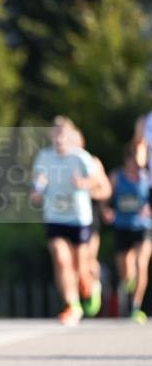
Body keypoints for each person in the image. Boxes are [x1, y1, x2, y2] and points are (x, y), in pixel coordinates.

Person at [31, 117, 97, 325]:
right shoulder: (44, 156)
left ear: (70, 136)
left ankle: (89, 283)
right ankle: (71, 305)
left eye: (63, 134)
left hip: (79, 218)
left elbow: (97, 180)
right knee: (61, 259)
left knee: (80, 267)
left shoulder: (80, 158)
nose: (59, 138)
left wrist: (83, 182)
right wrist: (37, 191)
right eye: (56, 134)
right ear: (52, 136)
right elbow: (39, 179)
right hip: (54, 216)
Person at [103, 142, 151, 323]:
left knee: (141, 263)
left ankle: (136, 306)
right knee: (126, 273)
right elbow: (104, 199)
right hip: (122, 227)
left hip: (143, 227)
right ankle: (130, 286)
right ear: (128, 159)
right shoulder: (117, 176)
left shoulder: (148, 177)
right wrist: (105, 210)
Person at [73, 128, 112, 317]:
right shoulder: (57, 162)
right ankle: (73, 301)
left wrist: (87, 190)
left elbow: (106, 190)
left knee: (87, 260)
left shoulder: (92, 162)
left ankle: (93, 285)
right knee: (70, 262)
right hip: (66, 218)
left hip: (89, 217)